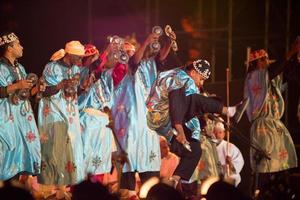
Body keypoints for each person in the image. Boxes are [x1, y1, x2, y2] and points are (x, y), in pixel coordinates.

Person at [147, 59, 248, 187]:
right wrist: (180, 129)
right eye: (201, 78)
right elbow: (176, 103)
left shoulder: (188, 87)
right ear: (193, 72)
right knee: (196, 99)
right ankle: (229, 111)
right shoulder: (179, 79)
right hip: (160, 115)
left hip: (168, 125)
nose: (202, 82)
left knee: (194, 150)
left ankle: (174, 181)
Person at [110, 32, 172, 199]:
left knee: (150, 170)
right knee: (128, 172)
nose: (131, 54)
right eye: (127, 52)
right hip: (128, 125)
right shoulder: (119, 69)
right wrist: (146, 41)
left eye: (132, 51)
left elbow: (159, 59)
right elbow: (134, 62)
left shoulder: (146, 67)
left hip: (145, 125)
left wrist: (169, 43)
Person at [244, 49, 298, 199]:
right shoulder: (254, 77)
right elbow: (275, 70)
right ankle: (263, 194)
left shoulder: (270, 79)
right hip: (262, 127)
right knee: (266, 165)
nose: (266, 62)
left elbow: (285, 74)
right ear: (254, 64)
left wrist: (294, 58)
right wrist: (290, 50)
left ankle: (278, 193)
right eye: (262, 60)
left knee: (280, 165)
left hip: (274, 126)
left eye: (267, 59)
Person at [37, 41, 85, 199]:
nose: (80, 61)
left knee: (70, 150)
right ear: (69, 55)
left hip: (70, 115)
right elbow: (43, 91)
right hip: (54, 114)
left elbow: (73, 91)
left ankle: (64, 187)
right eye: (78, 57)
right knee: (53, 151)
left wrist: (83, 86)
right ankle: (51, 189)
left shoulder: (75, 68)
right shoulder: (52, 67)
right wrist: (61, 84)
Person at [0, 32, 41, 181]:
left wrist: (36, 89)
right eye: (18, 44)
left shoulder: (21, 68)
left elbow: (25, 94)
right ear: (10, 47)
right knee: (7, 151)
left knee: (22, 151)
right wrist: (17, 85)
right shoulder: (0, 68)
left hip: (22, 117)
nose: (22, 47)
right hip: (6, 117)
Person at [78, 44, 117, 183]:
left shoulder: (103, 76)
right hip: (89, 120)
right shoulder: (83, 72)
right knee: (88, 161)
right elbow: (95, 66)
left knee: (102, 163)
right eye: (95, 57)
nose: (100, 61)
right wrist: (107, 49)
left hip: (102, 121)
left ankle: (98, 192)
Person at [213, 121, 244, 186]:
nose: (217, 135)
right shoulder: (207, 147)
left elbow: (239, 164)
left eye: (220, 132)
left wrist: (230, 163)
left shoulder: (231, 147)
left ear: (224, 134)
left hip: (229, 179)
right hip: (213, 180)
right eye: (214, 132)